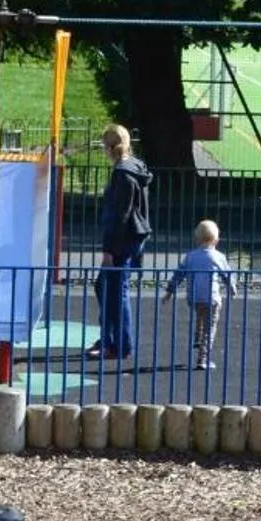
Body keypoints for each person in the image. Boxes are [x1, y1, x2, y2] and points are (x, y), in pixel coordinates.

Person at [87, 125, 152, 362]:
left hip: (123, 239)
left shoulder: (122, 174)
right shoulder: (135, 166)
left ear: (109, 147)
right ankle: (110, 337)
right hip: (134, 235)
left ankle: (119, 344)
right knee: (105, 287)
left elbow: (120, 215)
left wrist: (108, 250)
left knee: (114, 291)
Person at [162, 219, 238, 370]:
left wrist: (169, 292)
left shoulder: (190, 256)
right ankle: (203, 359)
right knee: (210, 327)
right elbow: (227, 275)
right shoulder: (218, 256)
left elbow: (178, 274)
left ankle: (198, 336)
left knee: (201, 314)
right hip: (212, 297)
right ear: (216, 239)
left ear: (196, 239)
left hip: (194, 297)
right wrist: (232, 288)